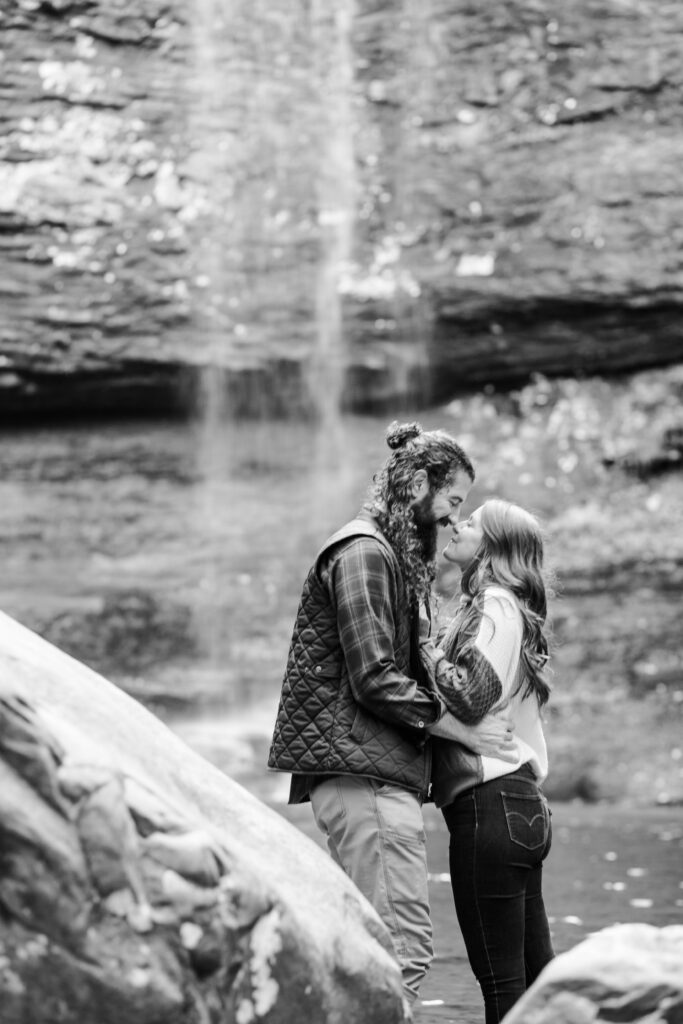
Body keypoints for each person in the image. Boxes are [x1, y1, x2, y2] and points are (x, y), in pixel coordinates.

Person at [268, 422, 517, 1009]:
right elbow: (375, 677)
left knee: (378, 954)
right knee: (400, 952)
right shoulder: (364, 553)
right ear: (420, 486)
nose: (453, 520)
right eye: (452, 501)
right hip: (367, 778)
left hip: (369, 774)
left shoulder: (381, 554)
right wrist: (462, 729)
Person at [420, 498, 555, 1024]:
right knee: (536, 982)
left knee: (504, 989)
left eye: (471, 522)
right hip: (518, 806)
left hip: (490, 807)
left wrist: (425, 651)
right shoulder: (507, 609)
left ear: (492, 548)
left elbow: (473, 696)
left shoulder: (497, 605)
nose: (457, 523)